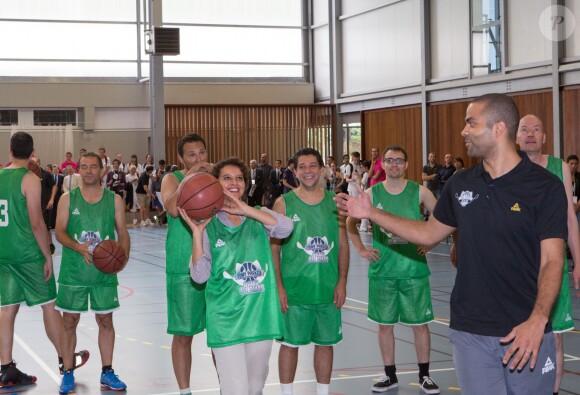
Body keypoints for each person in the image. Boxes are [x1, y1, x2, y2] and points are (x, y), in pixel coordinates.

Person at [335, 93, 567, 394]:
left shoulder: (544, 187)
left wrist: (538, 320)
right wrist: (371, 213)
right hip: (470, 331)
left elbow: (553, 260)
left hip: (527, 329)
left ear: (498, 128)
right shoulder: (461, 183)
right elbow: (429, 233)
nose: (463, 131)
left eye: (471, 123)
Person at [182, 157, 293, 395]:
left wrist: (246, 209)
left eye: (239, 178)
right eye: (227, 178)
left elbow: (286, 228)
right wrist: (197, 233)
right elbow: (199, 276)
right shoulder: (209, 224)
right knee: (236, 389)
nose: (235, 183)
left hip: (259, 317)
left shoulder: (258, 215)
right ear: (215, 184)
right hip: (226, 319)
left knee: (254, 388)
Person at [347, 145, 440, 394]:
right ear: (383, 164)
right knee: (384, 326)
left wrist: (431, 240)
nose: (394, 164)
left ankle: (425, 375)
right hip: (383, 271)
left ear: (407, 164)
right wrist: (361, 250)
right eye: (390, 160)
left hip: (414, 270)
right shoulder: (371, 192)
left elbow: (443, 218)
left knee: (420, 324)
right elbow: (350, 221)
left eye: (399, 160)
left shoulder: (419, 191)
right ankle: (390, 375)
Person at [0, 132, 89, 389]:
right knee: (49, 305)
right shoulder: (29, 178)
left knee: (7, 309)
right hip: (27, 253)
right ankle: (66, 360)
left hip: (4, 253)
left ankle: (5, 368)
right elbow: (38, 223)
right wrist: (47, 255)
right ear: (32, 152)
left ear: (10, 151)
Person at [271, 148, 349, 395]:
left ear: (322, 169)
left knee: (325, 344)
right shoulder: (283, 204)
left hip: (327, 289)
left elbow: (343, 243)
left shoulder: (336, 202)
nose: (308, 171)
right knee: (289, 345)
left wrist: (342, 282)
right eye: (302, 167)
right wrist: (279, 286)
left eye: (313, 165)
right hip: (294, 291)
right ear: (294, 171)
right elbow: (273, 248)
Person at [55, 152, 130, 394]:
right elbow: (59, 232)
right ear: (79, 170)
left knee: (106, 320)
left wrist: (123, 258)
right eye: (84, 167)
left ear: (101, 170)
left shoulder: (115, 200)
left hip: (103, 273)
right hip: (74, 270)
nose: (88, 171)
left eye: (93, 167)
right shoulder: (67, 199)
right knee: (69, 321)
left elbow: (123, 231)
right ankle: (67, 372)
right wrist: (78, 247)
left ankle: (107, 371)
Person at [516, 114, 580, 395]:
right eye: (524, 129)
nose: (530, 133)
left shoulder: (560, 168)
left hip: (551, 266)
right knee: (513, 334)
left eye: (536, 129)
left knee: (555, 338)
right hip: (516, 268)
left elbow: (569, 218)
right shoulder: (507, 168)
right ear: (516, 137)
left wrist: (578, 261)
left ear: (544, 137)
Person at [160, 134, 209, 395]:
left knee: (222, 336)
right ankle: (184, 391)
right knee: (183, 335)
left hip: (216, 265)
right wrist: (190, 177)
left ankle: (229, 386)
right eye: (192, 155)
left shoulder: (215, 178)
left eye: (202, 153)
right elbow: (172, 208)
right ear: (181, 158)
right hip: (182, 264)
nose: (199, 159)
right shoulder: (172, 179)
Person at [32, 155, 57, 255]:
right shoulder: (28, 174)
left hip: (45, 205)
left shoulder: (46, 174)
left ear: (39, 163)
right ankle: (36, 245)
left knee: (46, 227)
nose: (33, 164)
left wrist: (51, 200)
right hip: (33, 205)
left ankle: (50, 244)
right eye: (31, 162)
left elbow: (54, 186)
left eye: (35, 162)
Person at [50, 165, 64, 230]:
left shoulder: (62, 177)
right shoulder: (50, 177)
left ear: (58, 170)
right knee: (52, 210)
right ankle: (52, 224)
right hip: (52, 195)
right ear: (52, 170)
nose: (55, 171)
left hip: (59, 195)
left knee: (58, 209)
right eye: (54, 170)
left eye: (56, 169)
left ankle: (57, 224)